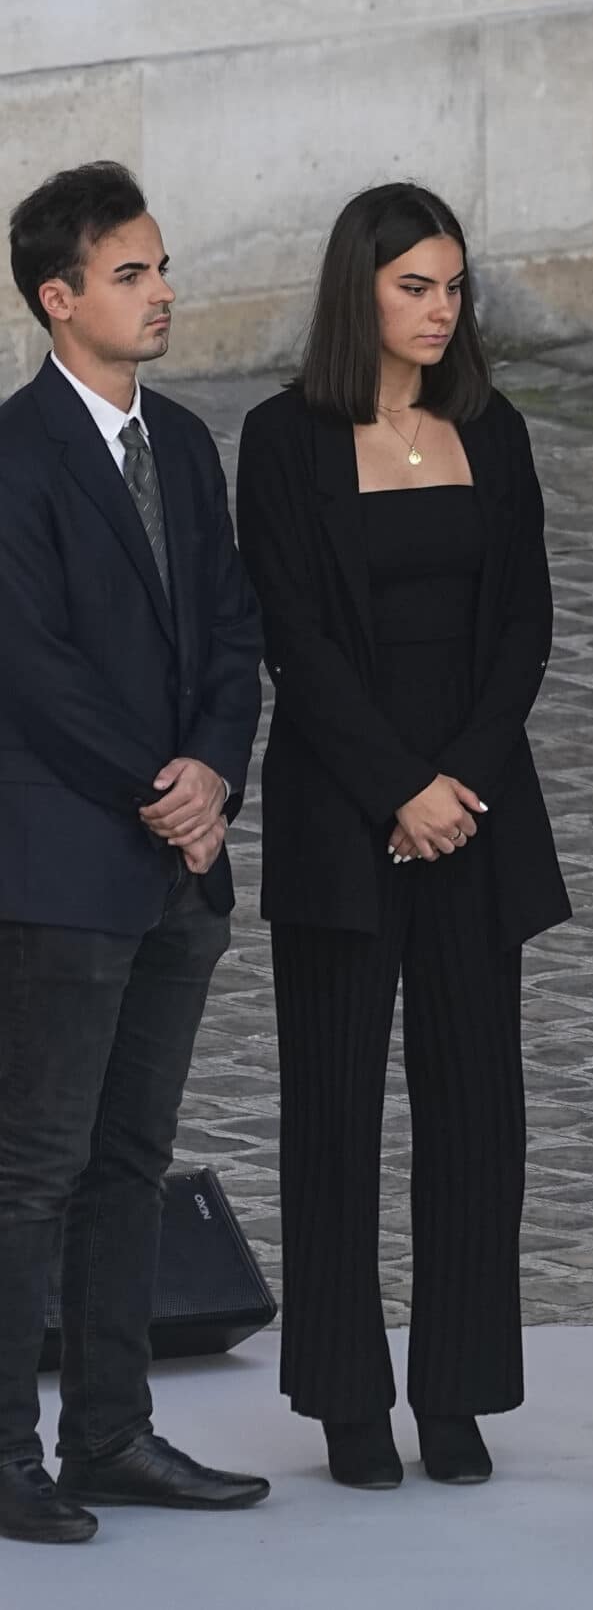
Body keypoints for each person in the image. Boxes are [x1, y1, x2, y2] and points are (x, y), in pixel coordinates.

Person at [234, 183, 571, 1492]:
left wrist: (460, 785)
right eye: (414, 287)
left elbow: (526, 626)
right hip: (342, 820)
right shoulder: (280, 439)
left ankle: (459, 1389)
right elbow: (293, 638)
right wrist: (398, 791)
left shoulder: (498, 428)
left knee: (480, 1111)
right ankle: (346, 1395)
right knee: (332, 1112)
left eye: (452, 288)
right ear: (358, 292)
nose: (440, 311)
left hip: (476, 817)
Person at [0, 162, 268, 1543]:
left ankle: (110, 1433)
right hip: (64, 869)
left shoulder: (186, 446)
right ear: (59, 297)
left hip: (179, 866)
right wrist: (159, 788)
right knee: (32, 1168)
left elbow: (231, 634)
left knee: (130, 1160)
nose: (162, 293)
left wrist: (216, 770)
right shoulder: (14, 453)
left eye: (162, 267)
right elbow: (32, 667)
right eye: (130, 273)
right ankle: (5, 1455)